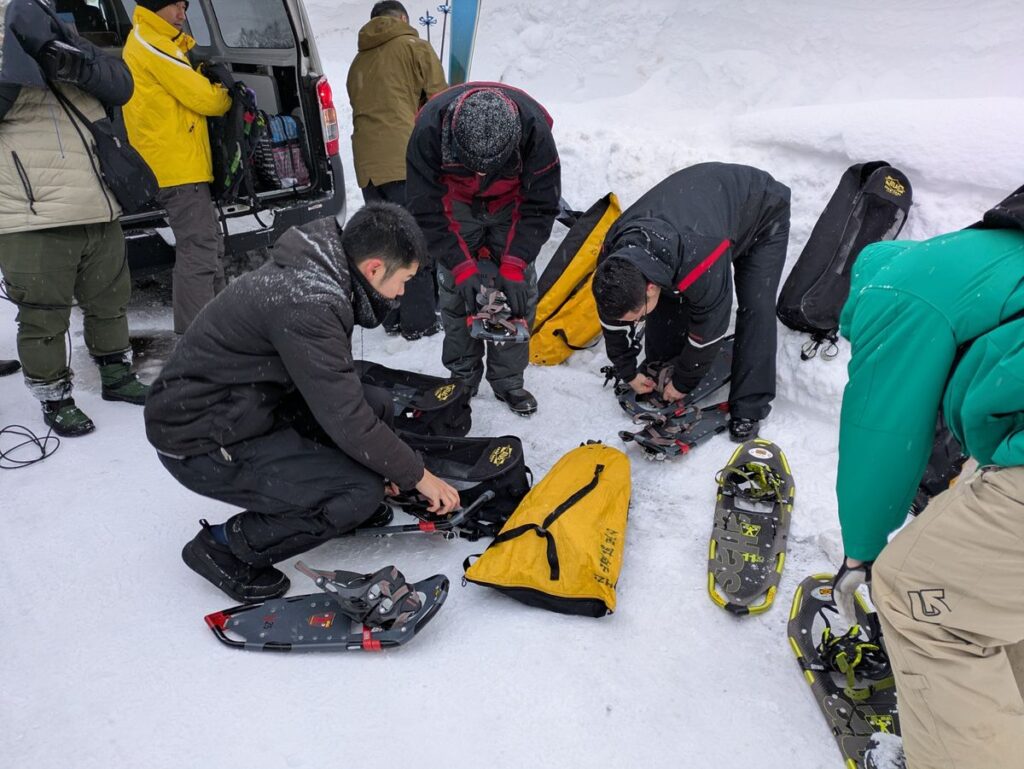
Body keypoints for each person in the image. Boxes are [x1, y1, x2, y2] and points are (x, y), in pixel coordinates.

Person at [144, 203, 461, 602]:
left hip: (249, 405)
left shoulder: (323, 270)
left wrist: (388, 464)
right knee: (357, 491)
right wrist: (417, 474)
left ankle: (336, 501)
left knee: (375, 403)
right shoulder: (309, 302)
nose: (402, 293)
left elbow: (345, 399)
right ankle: (224, 546)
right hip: (200, 437)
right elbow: (345, 418)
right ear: (375, 268)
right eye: (405, 280)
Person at [831, 188, 1024, 769]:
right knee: (985, 593)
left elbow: (882, 434)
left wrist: (860, 555)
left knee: (916, 594)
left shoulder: (898, 291)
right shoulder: (988, 263)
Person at [0, 0, 149, 437]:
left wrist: (77, 63)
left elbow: (121, 85)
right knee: (44, 314)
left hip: (98, 200)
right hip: (33, 212)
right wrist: (18, 60)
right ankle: (54, 396)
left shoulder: (64, 37)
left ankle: (116, 376)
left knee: (110, 299)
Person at [590, 162, 790, 442]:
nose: (634, 323)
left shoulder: (699, 259)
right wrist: (627, 369)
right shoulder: (614, 261)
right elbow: (612, 318)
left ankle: (750, 406)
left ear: (649, 287)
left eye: (637, 317)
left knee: (756, 306)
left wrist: (684, 382)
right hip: (699, 216)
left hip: (761, 210)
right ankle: (663, 366)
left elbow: (711, 328)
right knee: (669, 298)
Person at [406, 82, 561, 416]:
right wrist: (461, 268)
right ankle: (462, 376)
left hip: (513, 205)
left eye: (488, 166)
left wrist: (514, 265)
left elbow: (541, 204)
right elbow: (426, 207)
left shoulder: (535, 132)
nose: (480, 173)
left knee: (518, 292)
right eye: (471, 164)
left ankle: (508, 381)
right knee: (455, 289)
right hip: (454, 204)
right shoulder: (429, 131)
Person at [122, 0, 232, 335]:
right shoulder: (149, 40)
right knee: (199, 251)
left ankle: (223, 329)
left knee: (210, 245)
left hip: (184, 165)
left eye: (185, 6)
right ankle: (198, 341)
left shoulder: (161, 40)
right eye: (175, 6)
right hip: (174, 168)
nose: (183, 14)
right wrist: (226, 93)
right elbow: (203, 98)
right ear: (156, 8)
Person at [347, 0, 447, 340]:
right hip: (405, 159)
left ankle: (390, 318)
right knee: (414, 238)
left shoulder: (358, 61)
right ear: (402, 19)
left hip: (368, 164)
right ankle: (420, 323)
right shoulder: (414, 47)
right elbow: (439, 104)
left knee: (383, 240)